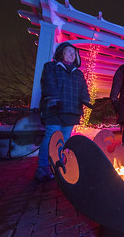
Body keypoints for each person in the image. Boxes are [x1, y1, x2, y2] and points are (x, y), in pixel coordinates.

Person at [36, 42, 91, 182]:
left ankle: (57, 165)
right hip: (55, 109)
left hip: (72, 111)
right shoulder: (51, 67)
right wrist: (52, 97)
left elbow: (83, 89)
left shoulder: (78, 73)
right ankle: (42, 167)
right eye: (68, 52)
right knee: (51, 136)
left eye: (74, 53)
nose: (72, 55)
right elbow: (47, 84)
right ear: (61, 53)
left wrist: (86, 100)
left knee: (64, 139)